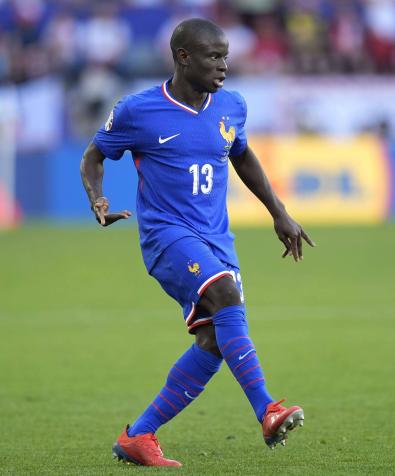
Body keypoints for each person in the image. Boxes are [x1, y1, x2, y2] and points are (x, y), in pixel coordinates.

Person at [80, 18, 314, 467]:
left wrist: (279, 213)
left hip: (215, 238)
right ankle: (267, 408)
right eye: (213, 56)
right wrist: (98, 198)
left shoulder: (231, 106)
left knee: (212, 342)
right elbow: (93, 156)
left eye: (226, 55)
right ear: (183, 57)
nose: (224, 65)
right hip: (166, 237)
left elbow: (241, 154)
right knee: (225, 293)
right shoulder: (138, 111)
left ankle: (139, 435)